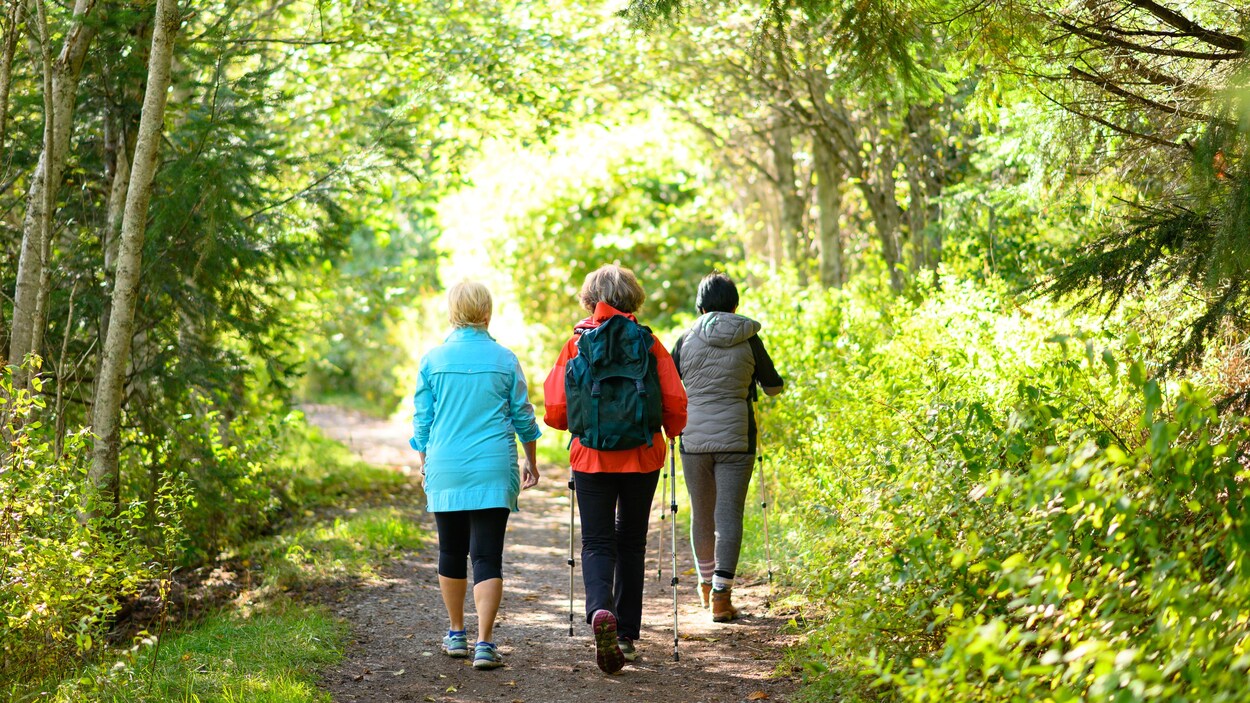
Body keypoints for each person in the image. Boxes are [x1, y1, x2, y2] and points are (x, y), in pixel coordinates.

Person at [543, 264, 687, 674]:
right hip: (642, 455)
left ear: (590, 300)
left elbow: (555, 411)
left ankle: (598, 611)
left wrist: (579, 426)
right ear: (634, 299)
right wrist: (672, 430)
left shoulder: (576, 344)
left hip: (591, 457)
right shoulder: (649, 342)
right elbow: (676, 404)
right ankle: (623, 635)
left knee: (597, 541)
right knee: (632, 542)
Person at [410, 281, 542, 670]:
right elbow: (524, 417)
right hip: (493, 466)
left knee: (450, 550)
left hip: (446, 466)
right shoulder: (504, 359)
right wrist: (531, 461)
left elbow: (422, 423)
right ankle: (485, 643)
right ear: (487, 312)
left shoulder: (432, 360)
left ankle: (455, 634)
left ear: (453, 312)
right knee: (487, 555)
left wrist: (424, 463)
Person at [670, 272, 783, 622]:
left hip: (694, 437)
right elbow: (773, 387)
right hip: (737, 436)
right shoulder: (750, 338)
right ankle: (722, 596)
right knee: (729, 514)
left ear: (700, 305)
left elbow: (672, 387)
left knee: (702, 513)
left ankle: (705, 586)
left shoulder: (685, 338)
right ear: (735, 305)